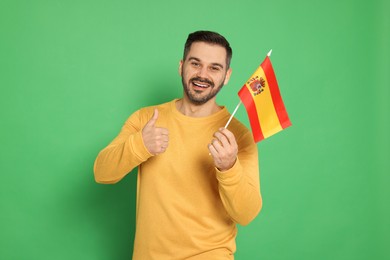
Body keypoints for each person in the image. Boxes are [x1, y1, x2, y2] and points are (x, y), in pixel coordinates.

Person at [94, 30, 262, 260]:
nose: (203, 75)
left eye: (214, 68)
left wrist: (229, 167)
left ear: (227, 75)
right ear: (181, 66)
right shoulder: (146, 119)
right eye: (196, 64)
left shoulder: (237, 136)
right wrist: (139, 145)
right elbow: (101, 173)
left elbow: (247, 214)